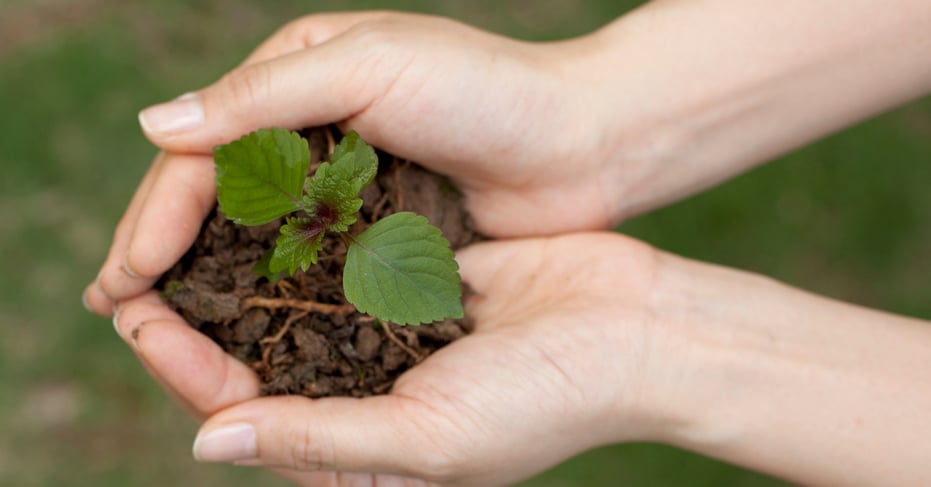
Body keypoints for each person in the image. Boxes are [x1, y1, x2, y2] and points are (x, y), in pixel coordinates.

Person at [83, 3, 931, 486]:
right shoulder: (316, 218)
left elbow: (383, 263)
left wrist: (654, 349)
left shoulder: (348, 219)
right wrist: (591, 116)